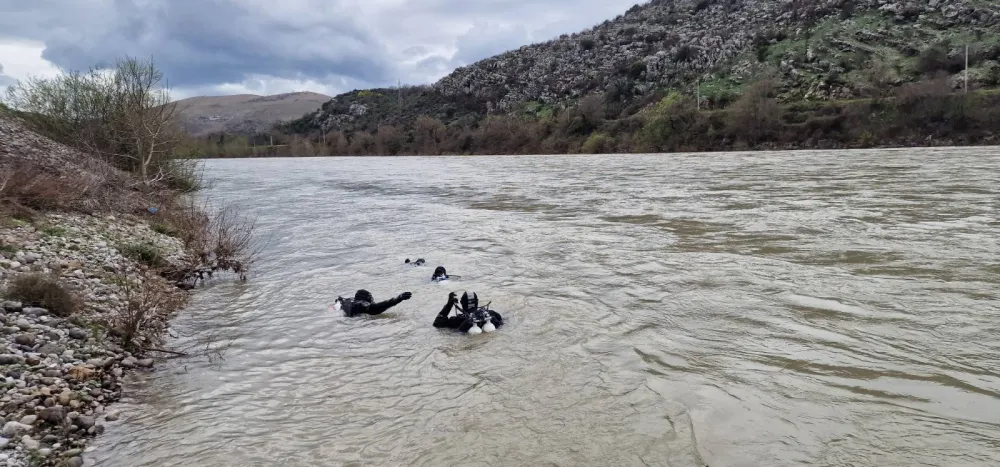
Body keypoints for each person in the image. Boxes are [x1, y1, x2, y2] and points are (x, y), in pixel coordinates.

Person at [433, 291, 503, 332]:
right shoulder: (490, 315)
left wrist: (449, 305)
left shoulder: (456, 320)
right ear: (477, 302)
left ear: (462, 303)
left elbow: (437, 324)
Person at [337, 289, 412, 317]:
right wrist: (398, 299)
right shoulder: (362, 304)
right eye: (370, 298)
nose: (371, 300)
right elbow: (376, 308)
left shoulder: (348, 300)